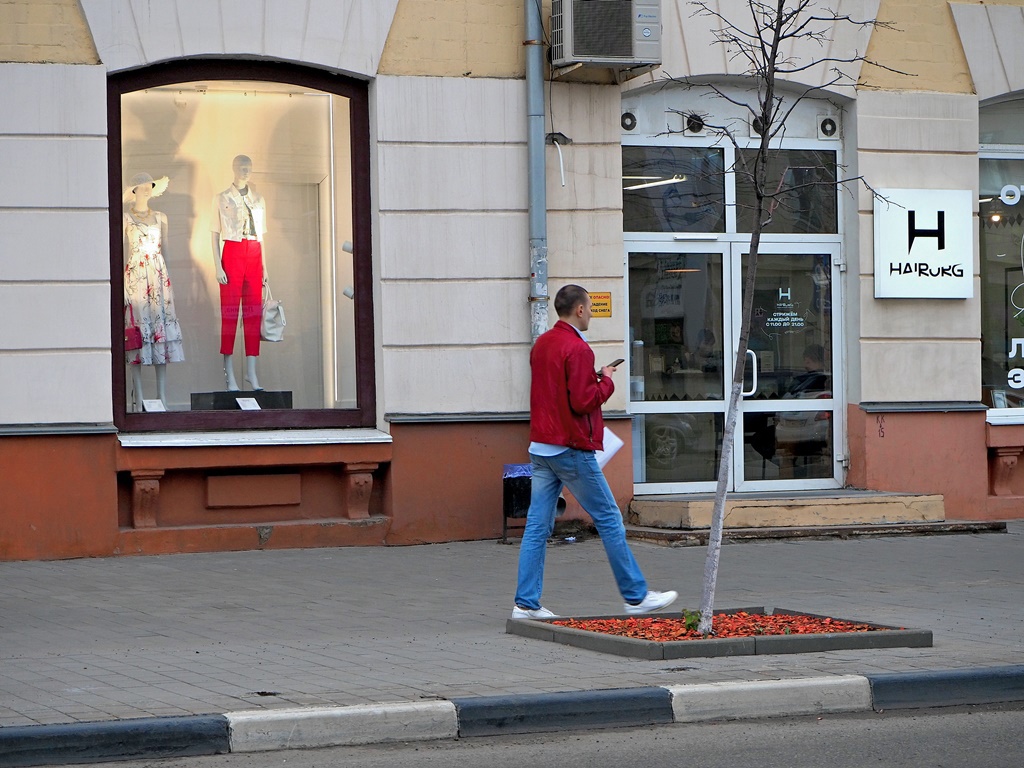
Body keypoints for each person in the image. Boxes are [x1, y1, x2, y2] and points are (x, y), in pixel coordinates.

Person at [513, 284, 678, 619]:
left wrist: (591, 379)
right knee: (609, 518)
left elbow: (556, 391)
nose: (590, 313)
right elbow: (582, 401)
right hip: (570, 447)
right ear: (579, 310)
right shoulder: (578, 348)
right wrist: (605, 380)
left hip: (541, 446)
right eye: (588, 307)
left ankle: (525, 603)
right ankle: (635, 596)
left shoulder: (542, 343)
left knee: (536, 526)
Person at [123, 172, 184, 410]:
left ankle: (162, 398)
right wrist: (122, 285)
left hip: (158, 277)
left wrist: (169, 284)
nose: (146, 190)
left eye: (149, 186)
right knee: (137, 335)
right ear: (134, 190)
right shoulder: (126, 219)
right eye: (142, 186)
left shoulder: (161, 218)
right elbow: (121, 252)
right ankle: (138, 398)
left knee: (160, 333)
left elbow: (165, 251)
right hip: (136, 278)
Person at [212, 154, 268, 391]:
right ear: (233, 169)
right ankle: (229, 373)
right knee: (230, 314)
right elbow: (214, 233)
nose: (246, 171)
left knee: (253, 314)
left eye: (249, 167)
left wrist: (265, 267)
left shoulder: (258, 199)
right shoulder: (222, 197)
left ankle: (252, 373)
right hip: (232, 252)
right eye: (242, 167)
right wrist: (218, 266)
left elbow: (262, 236)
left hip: (254, 252)